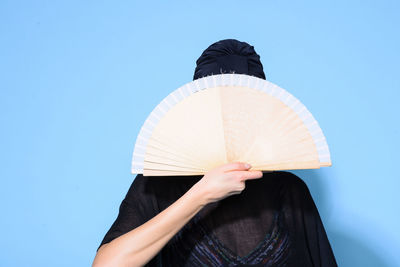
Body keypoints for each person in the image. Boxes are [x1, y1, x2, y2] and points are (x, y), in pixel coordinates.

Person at [92, 39, 338, 267]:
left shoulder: (290, 191)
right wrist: (201, 194)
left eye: (243, 102)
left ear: (261, 108)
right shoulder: (157, 185)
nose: (228, 116)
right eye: (215, 102)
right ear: (196, 107)